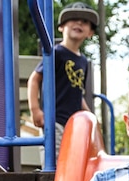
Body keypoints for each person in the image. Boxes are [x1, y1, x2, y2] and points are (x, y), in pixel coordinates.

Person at [27, 2, 98, 159]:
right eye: (73, 19)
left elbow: (77, 93)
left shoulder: (83, 62)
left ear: (90, 33)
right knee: (56, 161)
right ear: (61, 27)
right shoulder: (56, 53)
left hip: (74, 124)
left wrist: (90, 116)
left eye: (85, 22)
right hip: (54, 120)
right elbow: (34, 79)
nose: (79, 22)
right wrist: (35, 110)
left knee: (73, 160)